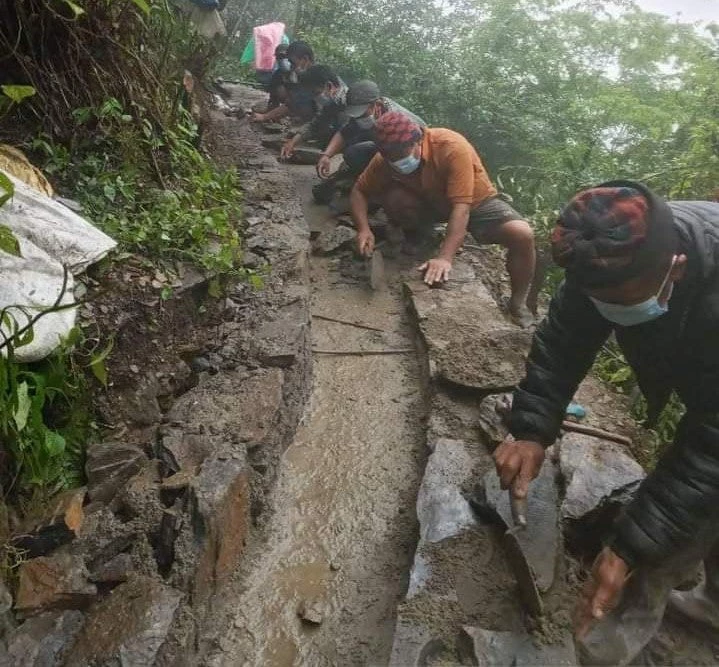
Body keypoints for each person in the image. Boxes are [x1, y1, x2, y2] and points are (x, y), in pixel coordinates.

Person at [492, 181, 719, 664]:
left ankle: (599, 648)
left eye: (625, 303)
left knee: (656, 550)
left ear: (675, 269)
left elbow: (712, 444)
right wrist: (532, 428)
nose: (614, 314)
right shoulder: (607, 253)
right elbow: (563, 344)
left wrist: (631, 549)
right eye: (604, 303)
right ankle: (711, 607)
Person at [350, 112, 536, 326]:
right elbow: (359, 191)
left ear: (418, 139)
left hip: (473, 202)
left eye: (403, 154)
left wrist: (445, 257)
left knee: (522, 234)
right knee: (396, 199)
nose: (398, 161)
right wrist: (363, 229)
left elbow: (462, 208)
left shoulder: (451, 147)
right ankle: (417, 236)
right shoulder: (384, 158)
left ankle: (518, 303)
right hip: (429, 201)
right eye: (391, 157)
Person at [312, 80, 425, 204]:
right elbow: (344, 132)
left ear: (376, 105)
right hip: (383, 150)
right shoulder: (364, 114)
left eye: (362, 114)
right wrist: (327, 155)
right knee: (353, 153)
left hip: (405, 157)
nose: (359, 118)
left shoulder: (397, 120)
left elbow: (403, 152)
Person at [279, 65, 348, 160]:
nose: (315, 98)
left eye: (315, 93)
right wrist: (293, 142)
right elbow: (315, 124)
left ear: (329, 86)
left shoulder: (347, 101)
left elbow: (345, 132)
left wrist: (327, 154)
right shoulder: (333, 101)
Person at [251, 41, 315, 123]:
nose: (291, 66)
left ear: (305, 59)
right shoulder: (282, 75)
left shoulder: (314, 78)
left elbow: (292, 104)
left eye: (292, 62)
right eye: (279, 57)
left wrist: (265, 117)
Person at [267, 43, 291, 109]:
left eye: (284, 56)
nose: (281, 60)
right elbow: (273, 96)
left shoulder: (300, 72)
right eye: (279, 57)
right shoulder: (277, 75)